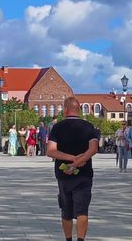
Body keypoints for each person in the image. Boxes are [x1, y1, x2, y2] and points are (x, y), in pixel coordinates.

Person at [47, 97, 99, 241]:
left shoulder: (57, 127)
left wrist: (71, 160)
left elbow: (50, 151)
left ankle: (68, 239)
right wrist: (79, 161)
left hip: (63, 174)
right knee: (82, 210)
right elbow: (93, 149)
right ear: (80, 110)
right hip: (84, 175)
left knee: (66, 210)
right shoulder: (89, 127)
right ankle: (81, 239)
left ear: (65, 110)